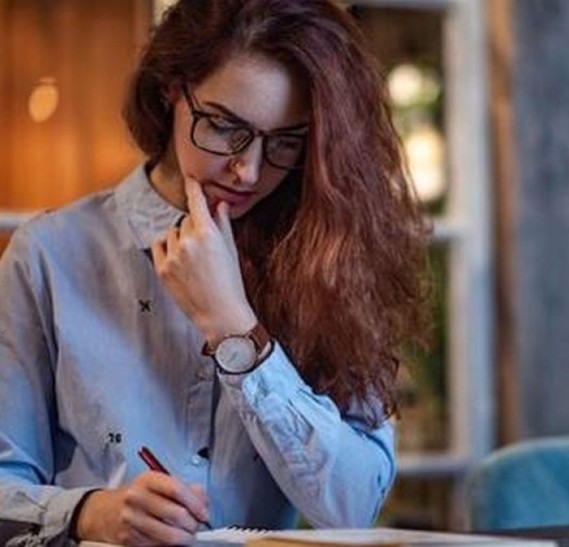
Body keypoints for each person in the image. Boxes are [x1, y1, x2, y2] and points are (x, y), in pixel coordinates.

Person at [0, 0, 429, 544]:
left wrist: (234, 329)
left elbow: (352, 505)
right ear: (169, 92)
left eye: (286, 142)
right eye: (225, 127)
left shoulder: (330, 258)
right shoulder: (51, 255)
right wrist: (91, 512)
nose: (248, 169)